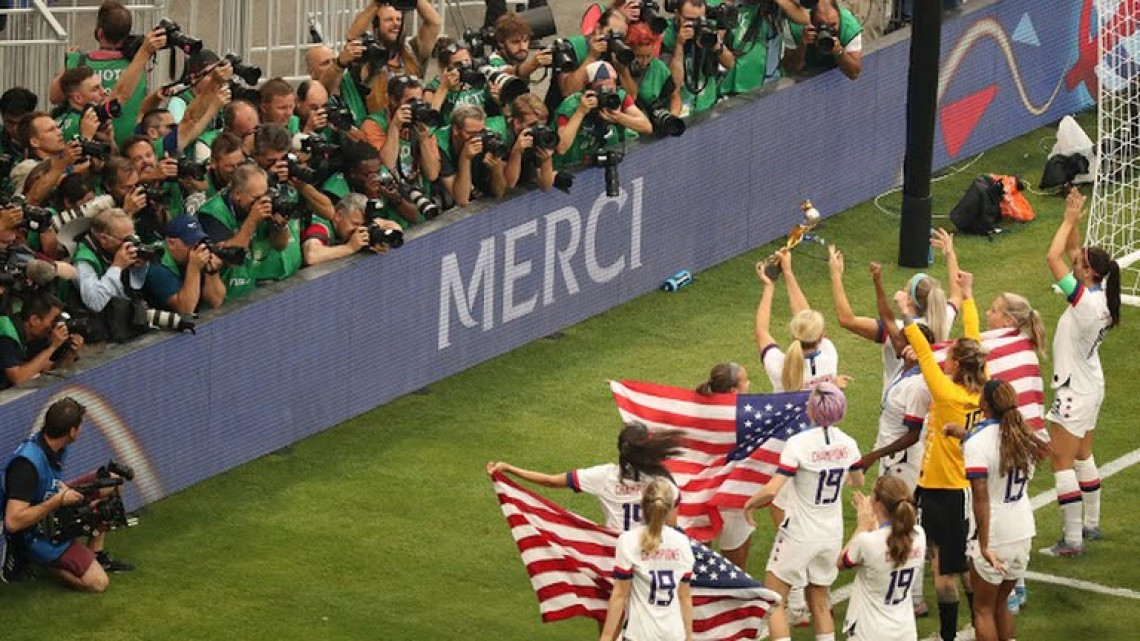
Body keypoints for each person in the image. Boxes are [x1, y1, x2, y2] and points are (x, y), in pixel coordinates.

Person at [742, 382, 864, 641]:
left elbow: (773, 490)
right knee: (820, 601)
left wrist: (750, 503)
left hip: (799, 532)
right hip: (831, 533)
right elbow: (858, 480)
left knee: (775, 601)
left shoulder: (798, 443)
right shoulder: (849, 444)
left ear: (812, 409)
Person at [901, 269, 986, 641]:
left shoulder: (947, 394)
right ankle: (978, 618)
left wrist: (906, 312)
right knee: (959, 564)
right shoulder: (983, 386)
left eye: (950, 356)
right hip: (957, 487)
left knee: (944, 570)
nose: (945, 360)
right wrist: (967, 295)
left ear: (957, 364)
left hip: (944, 490)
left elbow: (921, 349)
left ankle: (949, 636)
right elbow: (975, 338)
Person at [1040, 189, 1120, 558]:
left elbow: (1053, 256)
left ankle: (1072, 541)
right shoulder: (1101, 294)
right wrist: (1074, 217)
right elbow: (1074, 254)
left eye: (1081, 265)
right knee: (1084, 454)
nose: (1077, 263)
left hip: (1074, 391)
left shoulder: (1085, 303)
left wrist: (1069, 221)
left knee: (1061, 460)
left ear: (1088, 273)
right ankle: (1091, 523)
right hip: (1092, 385)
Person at [1, 398, 133, 591]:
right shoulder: (26, 466)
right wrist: (57, 500)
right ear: (72, 431)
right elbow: (13, 522)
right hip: (33, 532)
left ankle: (96, 554)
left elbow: (48, 483)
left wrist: (62, 492)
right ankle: (40, 560)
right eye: (79, 426)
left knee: (112, 483)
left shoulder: (54, 446)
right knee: (98, 583)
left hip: (54, 501)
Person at [958, 380, 1042, 641]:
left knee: (982, 609)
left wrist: (983, 544)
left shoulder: (978, 442)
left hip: (994, 534)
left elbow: (981, 498)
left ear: (985, 403)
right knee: (1002, 603)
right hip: (1022, 530)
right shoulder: (1024, 437)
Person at [486, 422, 682, 532]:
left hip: (614, 554)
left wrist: (510, 468)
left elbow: (550, 481)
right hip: (652, 556)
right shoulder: (664, 483)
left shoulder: (604, 476)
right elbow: (672, 527)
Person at [829, 236, 961, 392]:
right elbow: (957, 294)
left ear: (910, 300)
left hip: (898, 404)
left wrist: (835, 275)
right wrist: (950, 254)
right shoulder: (943, 317)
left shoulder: (901, 330)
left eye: (905, 288)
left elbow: (847, 320)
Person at [859, 262, 933, 493]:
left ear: (912, 348)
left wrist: (874, 455)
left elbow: (913, 435)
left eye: (901, 339)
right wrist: (877, 281)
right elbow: (887, 318)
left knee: (902, 515)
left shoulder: (917, 385)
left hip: (904, 462)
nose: (896, 341)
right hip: (890, 455)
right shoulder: (905, 366)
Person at [599, 479, 695, 641]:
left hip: (640, 634)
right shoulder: (682, 542)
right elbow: (684, 596)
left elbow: (620, 595)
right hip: (674, 634)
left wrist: (607, 637)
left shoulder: (628, 541)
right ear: (670, 507)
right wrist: (689, 636)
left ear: (642, 505)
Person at [837, 475, 926, 641]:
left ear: (877, 503)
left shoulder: (866, 541)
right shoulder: (920, 535)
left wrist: (862, 526)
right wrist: (874, 523)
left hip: (870, 632)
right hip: (905, 631)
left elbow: (842, 563)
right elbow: (889, 541)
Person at [52, 1, 153, 145]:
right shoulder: (138, 64)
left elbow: (54, 97)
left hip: (91, 145)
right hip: (131, 149)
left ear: (99, 32)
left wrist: (69, 62)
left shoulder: (78, 62)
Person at [755, 251, 841, 393]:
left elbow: (761, 333)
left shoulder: (781, 367)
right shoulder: (829, 353)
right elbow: (806, 320)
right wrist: (788, 272)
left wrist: (769, 286)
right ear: (820, 336)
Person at [554, 61, 652, 169]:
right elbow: (561, 147)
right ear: (588, 89)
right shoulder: (571, 105)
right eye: (601, 89)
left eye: (610, 88)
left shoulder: (618, 97)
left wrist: (619, 117)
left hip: (598, 161)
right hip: (570, 165)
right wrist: (580, 112)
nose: (606, 94)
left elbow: (646, 127)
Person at [660, 0, 737, 115]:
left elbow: (730, 63)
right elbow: (673, 83)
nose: (695, 24)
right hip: (680, 109)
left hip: (707, 103)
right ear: (677, 14)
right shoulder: (666, 34)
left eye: (699, 19)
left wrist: (715, 43)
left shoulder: (708, 27)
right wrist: (679, 45)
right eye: (689, 20)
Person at [142, 215, 226, 314]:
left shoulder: (197, 254)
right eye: (190, 244)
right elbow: (186, 309)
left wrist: (212, 271)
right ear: (171, 243)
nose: (197, 248)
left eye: (199, 242)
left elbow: (216, 301)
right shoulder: (156, 264)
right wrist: (193, 268)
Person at [0, 293, 84, 390]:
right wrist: (52, 347)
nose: (56, 326)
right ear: (34, 320)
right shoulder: (6, 335)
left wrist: (71, 352)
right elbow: (18, 378)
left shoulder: (31, 335)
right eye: (53, 320)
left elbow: (51, 368)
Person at [72, 208, 147, 314]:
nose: (131, 245)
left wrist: (137, 269)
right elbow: (95, 303)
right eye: (126, 239)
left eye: (133, 237)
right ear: (104, 239)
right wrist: (117, 267)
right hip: (94, 321)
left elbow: (134, 289)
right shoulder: (84, 259)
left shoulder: (115, 251)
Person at [301, 193, 403, 267]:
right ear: (339, 216)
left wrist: (382, 240)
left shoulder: (361, 220)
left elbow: (394, 226)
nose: (359, 229)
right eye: (355, 224)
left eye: (363, 224)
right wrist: (349, 247)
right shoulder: (321, 224)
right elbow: (311, 256)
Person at [437, 104, 508, 207]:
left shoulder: (489, 139)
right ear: (456, 130)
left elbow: (500, 192)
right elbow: (462, 200)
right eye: (471, 134)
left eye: (481, 132)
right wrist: (465, 159)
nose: (478, 138)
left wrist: (497, 169)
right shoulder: (440, 143)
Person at [782, 0, 863, 80]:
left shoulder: (849, 28)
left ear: (839, 17)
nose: (827, 31)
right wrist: (802, 45)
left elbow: (854, 74)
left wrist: (840, 53)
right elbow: (790, 70)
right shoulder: (795, 26)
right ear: (811, 21)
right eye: (821, 25)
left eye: (832, 25)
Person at [424, 39, 491, 125]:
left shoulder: (479, 80)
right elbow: (427, 124)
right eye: (458, 64)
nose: (465, 67)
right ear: (444, 67)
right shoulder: (433, 88)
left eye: (467, 61)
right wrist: (444, 88)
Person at [625, 22, 681, 117]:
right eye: (639, 56)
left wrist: (673, 115)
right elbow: (631, 97)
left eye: (648, 56)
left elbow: (675, 96)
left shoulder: (659, 68)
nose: (645, 61)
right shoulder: (620, 68)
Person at [502, 94, 556, 192]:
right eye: (533, 125)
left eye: (542, 125)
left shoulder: (538, 137)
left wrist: (546, 160)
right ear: (517, 123)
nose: (538, 129)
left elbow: (546, 186)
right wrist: (516, 152)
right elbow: (509, 183)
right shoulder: (503, 137)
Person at [488, 12, 553, 81]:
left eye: (525, 40)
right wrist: (533, 63)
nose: (522, 47)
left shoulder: (515, 58)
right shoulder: (493, 62)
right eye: (515, 42)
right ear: (501, 42)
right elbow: (509, 73)